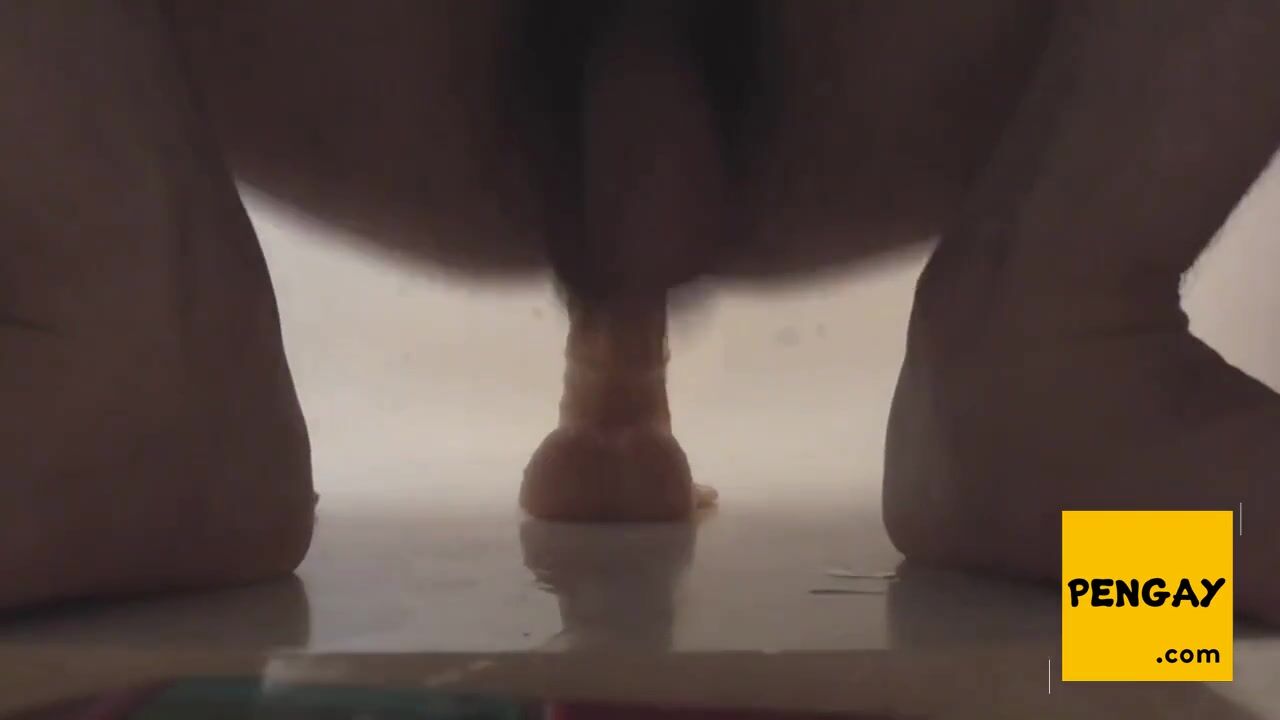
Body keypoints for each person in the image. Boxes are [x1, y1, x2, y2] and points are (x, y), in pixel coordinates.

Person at [3, 0, 1278, 624]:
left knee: (1137, 603)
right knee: (1126, 587)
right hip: (963, 81)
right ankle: (1059, 339)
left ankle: (128, 333)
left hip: (321, 60)